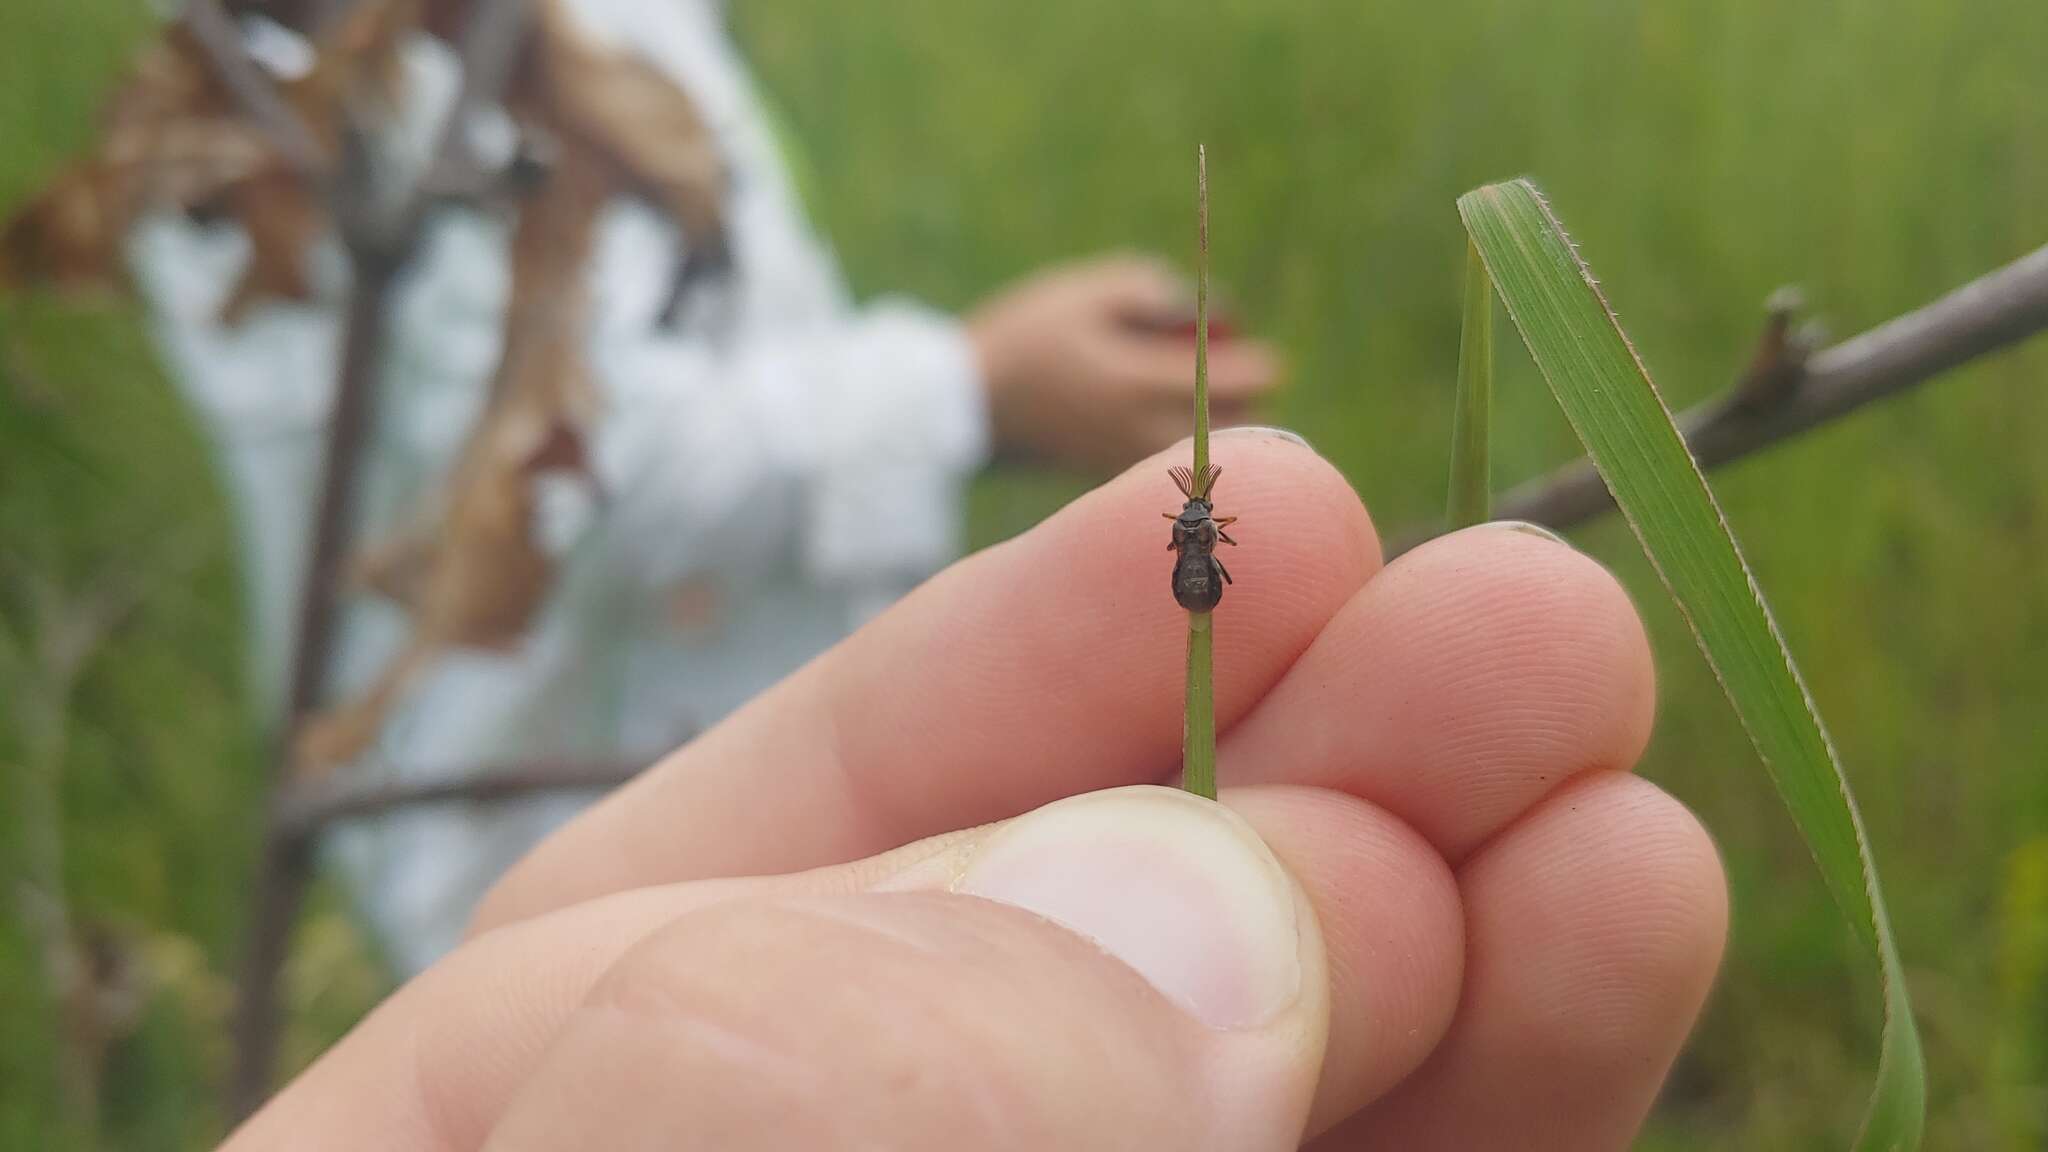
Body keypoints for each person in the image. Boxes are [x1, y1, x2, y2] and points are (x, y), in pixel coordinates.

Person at [133, 0, 1277, 971]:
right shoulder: (294, 124)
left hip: (782, 742)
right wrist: (969, 392)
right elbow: (577, 477)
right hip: (551, 835)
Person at [217, 432, 1728, 1150]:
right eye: (1192, 524)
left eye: (1195, 526)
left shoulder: (1196, 546)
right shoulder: (1196, 546)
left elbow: (1198, 556)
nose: (1195, 530)